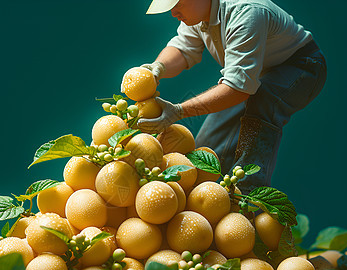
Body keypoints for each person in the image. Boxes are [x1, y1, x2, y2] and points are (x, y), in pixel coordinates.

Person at [129, 0, 327, 194]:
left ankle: (248, 199)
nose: (173, 13)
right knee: (206, 145)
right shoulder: (199, 12)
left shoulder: (246, 12)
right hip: (255, 75)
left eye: (177, 4)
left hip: (302, 66)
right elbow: (182, 48)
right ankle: (206, 196)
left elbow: (237, 89)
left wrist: (179, 111)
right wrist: (158, 68)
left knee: (261, 105)